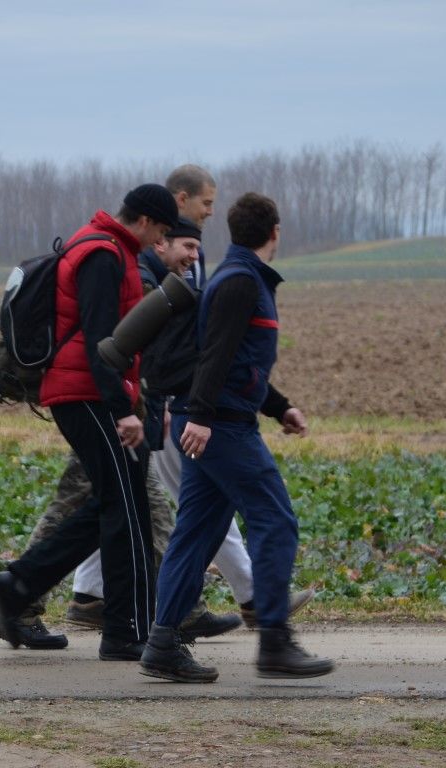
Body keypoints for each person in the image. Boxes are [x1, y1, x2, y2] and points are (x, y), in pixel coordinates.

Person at [68, 165, 314, 632]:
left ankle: (151, 625)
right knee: (257, 517)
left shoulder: (200, 279)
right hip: (183, 416)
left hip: (177, 413)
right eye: (204, 205)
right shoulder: (209, 281)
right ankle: (262, 617)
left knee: (179, 520)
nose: (193, 251)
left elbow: (219, 357)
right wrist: (175, 410)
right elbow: (207, 356)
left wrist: (277, 405)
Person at [140, 192, 334, 682]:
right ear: (275, 232)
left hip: (214, 420)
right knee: (275, 520)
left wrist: (279, 406)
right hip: (221, 426)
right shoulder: (241, 282)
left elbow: (241, 361)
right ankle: (274, 641)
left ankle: (162, 643)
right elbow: (217, 353)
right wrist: (203, 415)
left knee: (197, 532)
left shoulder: (240, 277)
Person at [0, 184, 177, 661]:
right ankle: (124, 632)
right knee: (125, 510)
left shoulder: (104, 245)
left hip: (88, 392)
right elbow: (100, 339)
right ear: (145, 220)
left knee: (118, 503)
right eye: (161, 230)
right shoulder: (102, 254)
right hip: (86, 395)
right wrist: (122, 409)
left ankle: (20, 583)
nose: (160, 240)